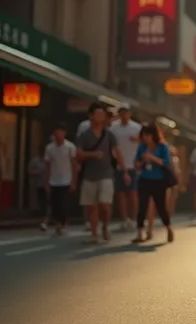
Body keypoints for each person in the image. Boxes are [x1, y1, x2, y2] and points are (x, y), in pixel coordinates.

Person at [75, 102, 129, 243]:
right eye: (97, 114)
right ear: (91, 116)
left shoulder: (109, 135)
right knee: (92, 207)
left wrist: (125, 171)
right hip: (89, 175)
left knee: (105, 205)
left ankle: (105, 225)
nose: (100, 117)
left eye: (102, 114)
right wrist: (92, 155)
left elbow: (118, 152)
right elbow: (79, 154)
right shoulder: (84, 135)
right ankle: (94, 233)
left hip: (106, 173)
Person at [132, 125, 174, 243]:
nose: (146, 138)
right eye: (144, 135)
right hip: (145, 179)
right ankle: (140, 232)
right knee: (142, 206)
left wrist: (152, 158)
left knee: (161, 206)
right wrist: (142, 161)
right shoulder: (142, 147)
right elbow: (136, 163)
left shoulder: (162, 147)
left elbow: (165, 162)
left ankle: (168, 228)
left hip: (159, 180)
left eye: (148, 135)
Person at [109, 103, 141, 231]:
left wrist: (137, 140)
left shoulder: (136, 128)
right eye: (121, 112)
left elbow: (144, 143)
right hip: (118, 165)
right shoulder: (113, 127)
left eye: (126, 112)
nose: (124, 114)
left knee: (132, 194)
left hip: (132, 164)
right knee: (120, 194)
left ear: (130, 113)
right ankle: (124, 219)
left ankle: (133, 219)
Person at [44, 123, 76, 235]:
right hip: (54, 180)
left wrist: (73, 181)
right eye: (56, 132)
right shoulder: (50, 148)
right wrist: (46, 181)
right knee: (55, 204)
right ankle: (58, 223)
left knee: (63, 204)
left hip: (66, 180)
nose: (58, 134)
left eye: (60, 132)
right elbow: (47, 165)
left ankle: (64, 223)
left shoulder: (70, 147)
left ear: (64, 133)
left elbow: (74, 164)